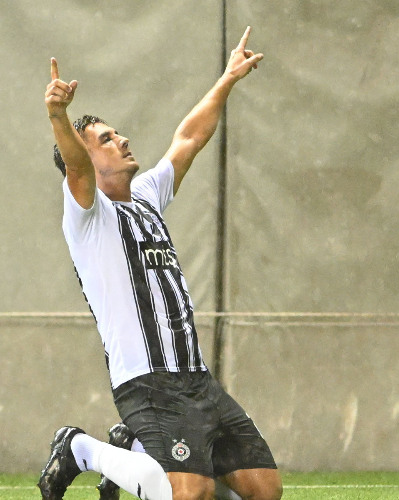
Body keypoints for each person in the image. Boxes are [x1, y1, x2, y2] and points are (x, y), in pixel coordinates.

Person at [39, 27, 282, 500]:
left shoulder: (147, 196)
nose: (123, 139)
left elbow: (189, 137)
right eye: (107, 138)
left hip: (195, 377)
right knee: (189, 495)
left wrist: (227, 79)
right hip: (147, 383)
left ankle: (134, 447)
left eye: (116, 133)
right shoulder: (88, 216)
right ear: (86, 156)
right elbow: (77, 166)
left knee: (265, 491)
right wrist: (57, 116)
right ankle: (79, 449)